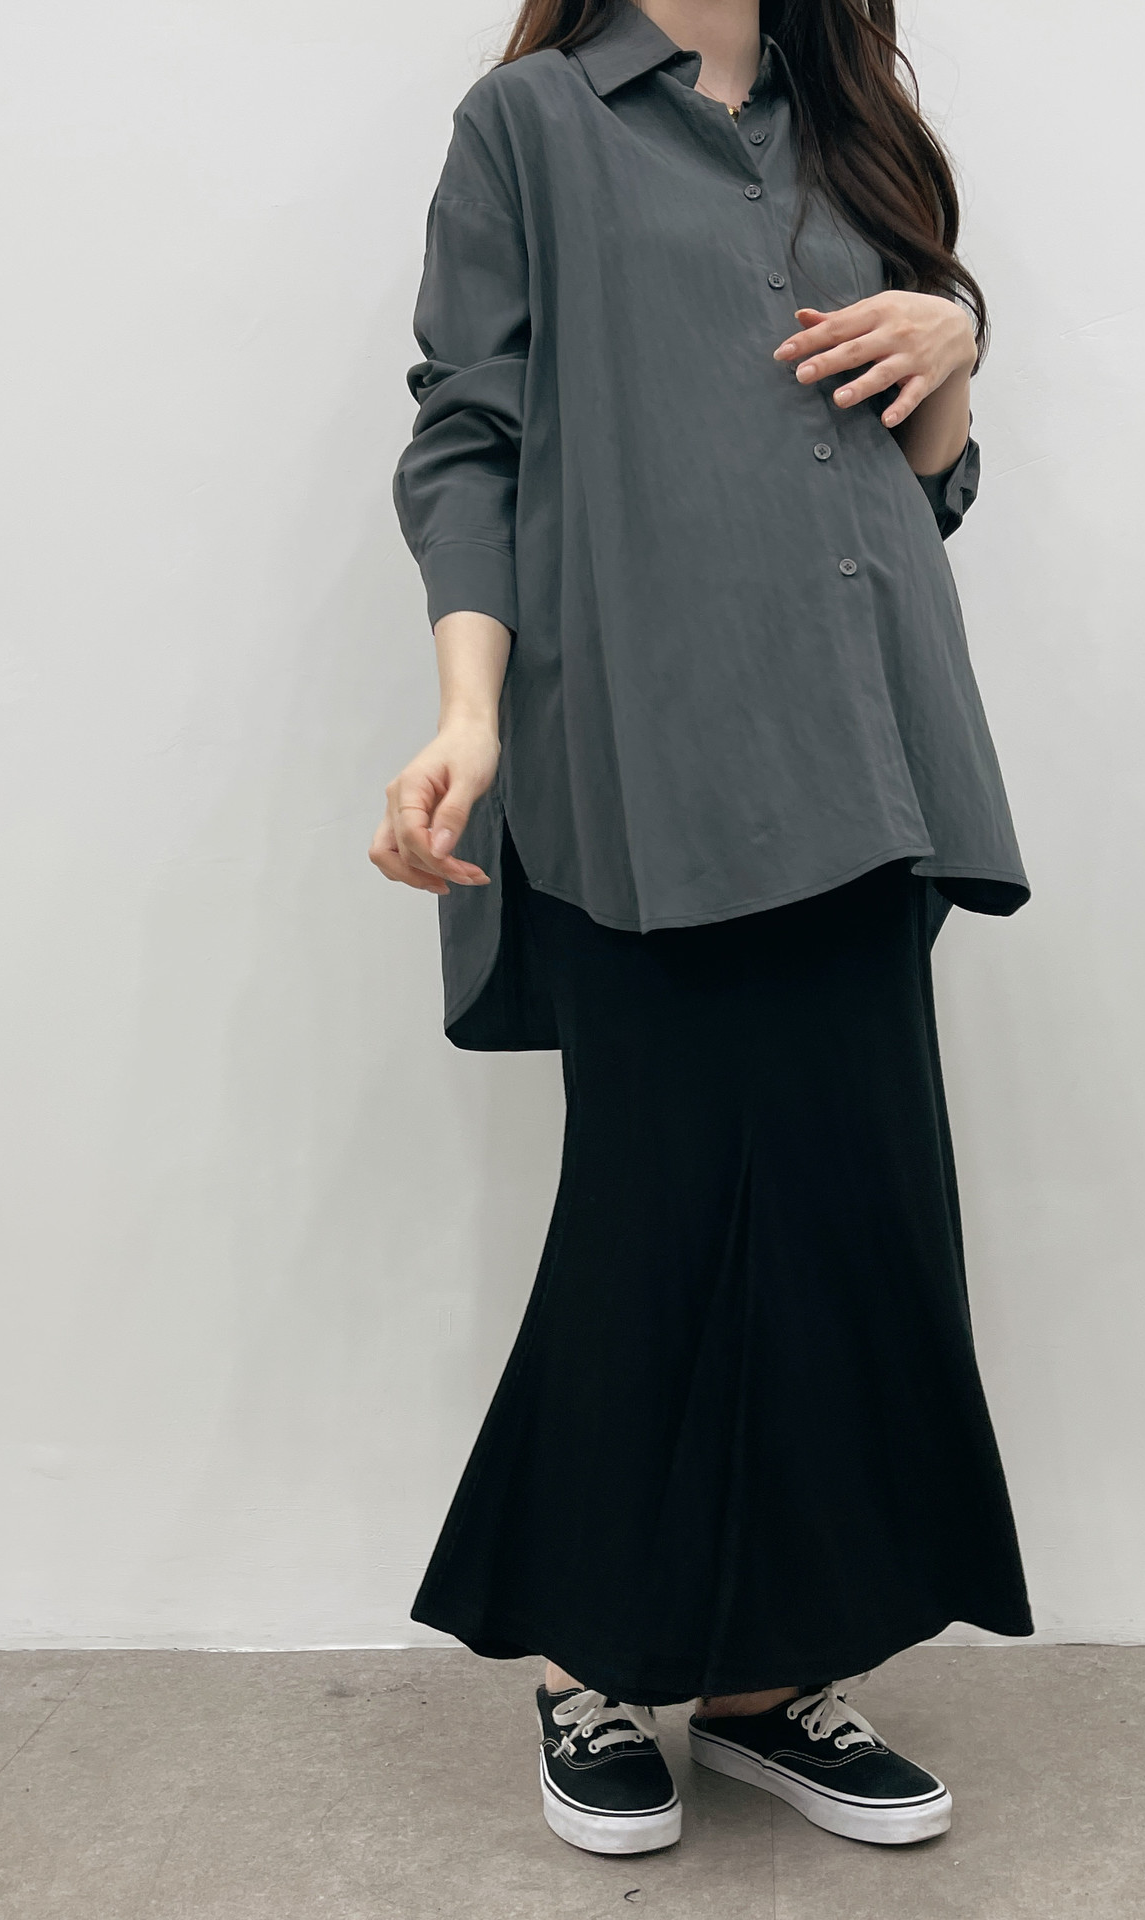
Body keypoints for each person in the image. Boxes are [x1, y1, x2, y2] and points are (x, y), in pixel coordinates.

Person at [375, 0, 1033, 1856]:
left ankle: (763, 1683)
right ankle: (588, 1663)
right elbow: (467, 437)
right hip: (647, 756)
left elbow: (921, 485)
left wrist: (955, 347)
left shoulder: (852, 130)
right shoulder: (532, 126)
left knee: (844, 1220)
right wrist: (469, 715)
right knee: (654, 1220)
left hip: (866, 744)